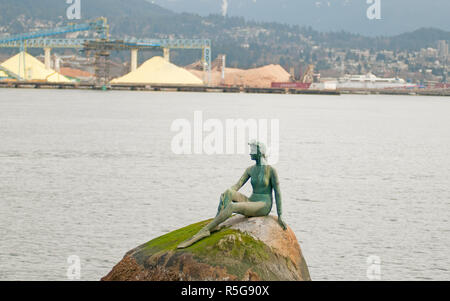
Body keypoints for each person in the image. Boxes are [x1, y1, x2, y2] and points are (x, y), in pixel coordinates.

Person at [177, 140, 287, 249]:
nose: (249, 153)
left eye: (252, 150)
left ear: (259, 152)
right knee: (228, 192)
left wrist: (280, 215)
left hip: (263, 205)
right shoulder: (250, 169)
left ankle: (205, 230)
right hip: (251, 201)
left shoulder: (271, 170)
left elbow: (277, 193)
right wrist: (226, 194)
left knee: (232, 206)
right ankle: (216, 224)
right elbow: (237, 185)